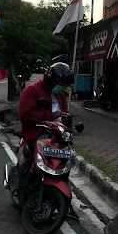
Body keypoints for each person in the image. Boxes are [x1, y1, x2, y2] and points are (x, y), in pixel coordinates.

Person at [15, 62, 74, 193]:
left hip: (57, 139)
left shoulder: (60, 96)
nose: (64, 88)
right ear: (51, 80)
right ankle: (22, 189)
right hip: (35, 135)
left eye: (65, 85)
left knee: (67, 162)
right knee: (29, 165)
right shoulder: (32, 91)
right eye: (61, 84)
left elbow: (63, 115)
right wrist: (50, 116)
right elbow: (25, 114)